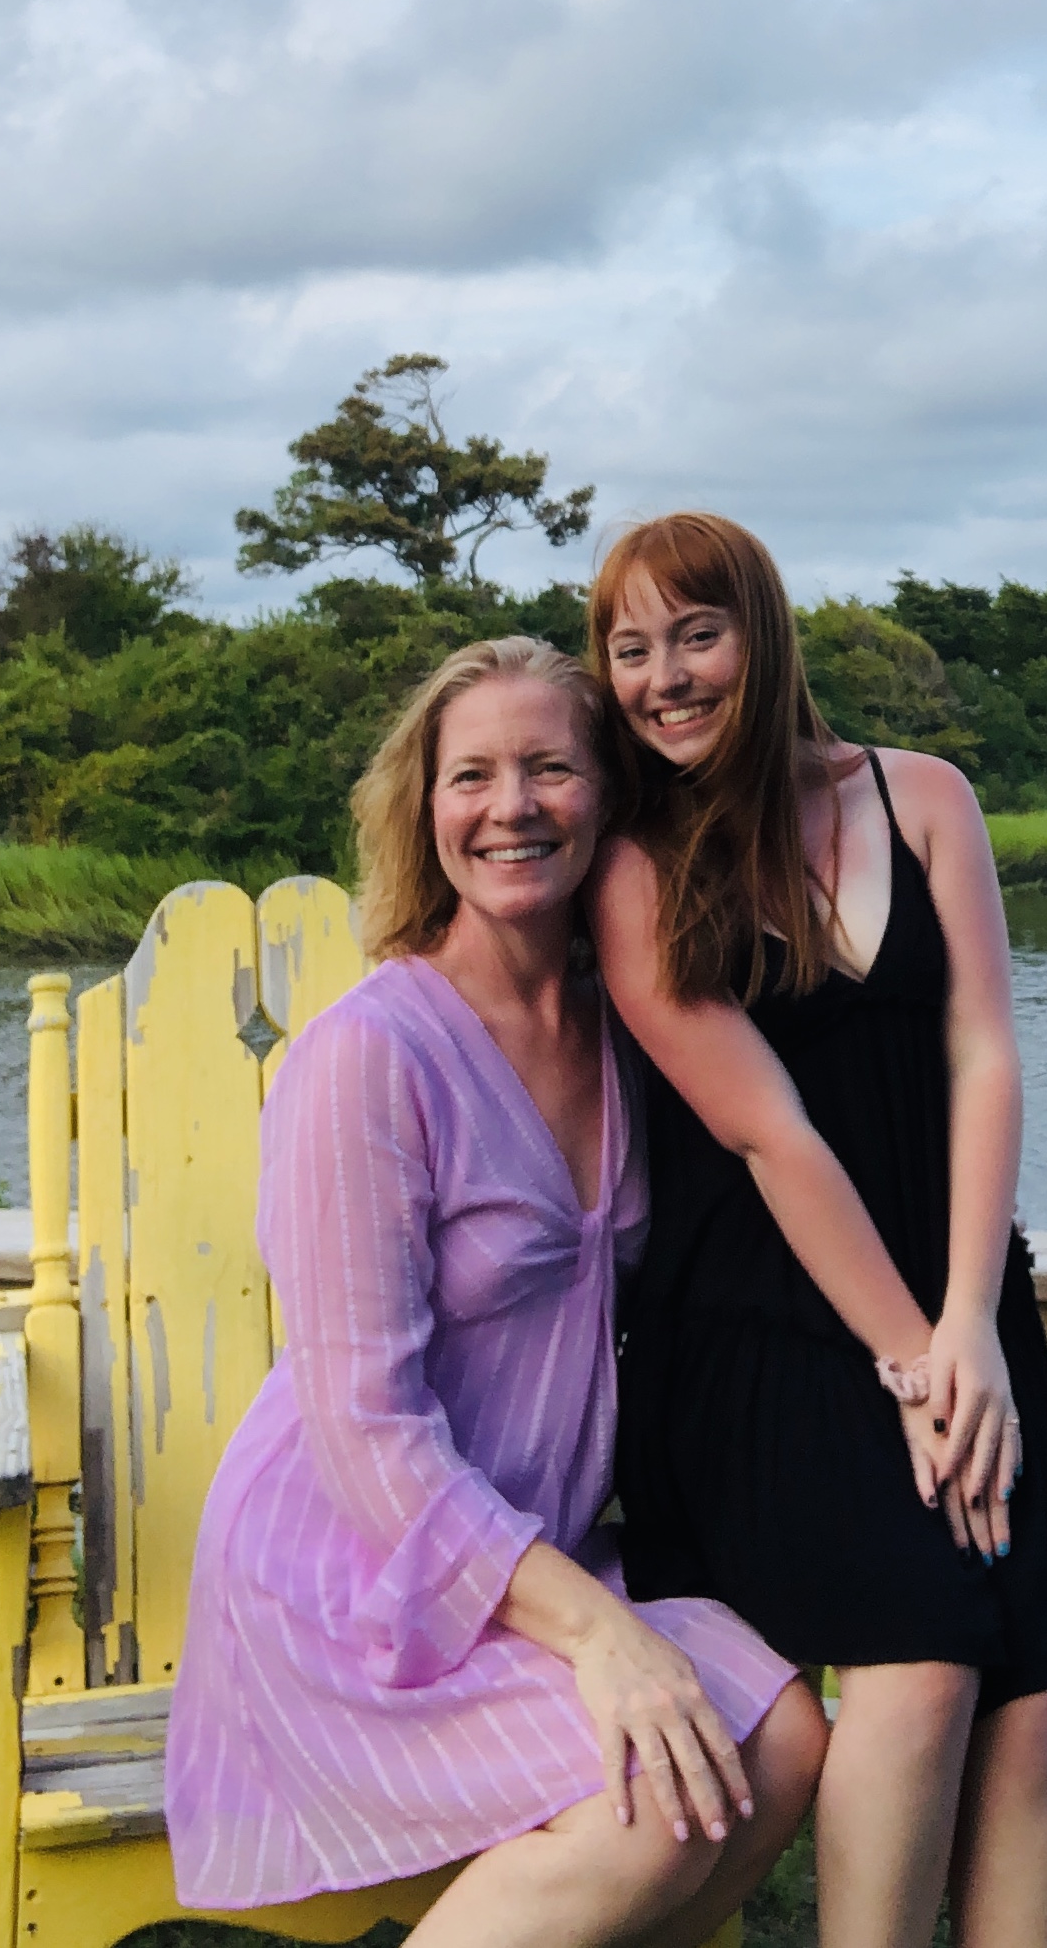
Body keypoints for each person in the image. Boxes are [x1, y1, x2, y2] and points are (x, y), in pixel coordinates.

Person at [165, 635, 825, 1948]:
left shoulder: (627, 1025)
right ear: (426, 809)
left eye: (550, 768)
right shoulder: (370, 1057)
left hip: (535, 1557)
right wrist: (601, 1639)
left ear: (610, 794)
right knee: (653, 1797)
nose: (510, 805)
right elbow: (366, 1431)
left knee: (788, 1738)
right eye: (470, 775)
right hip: (353, 1586)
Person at [586, 517, 1047, 1948]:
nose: (666, 678)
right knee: (922, 1669)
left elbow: (983, 1050)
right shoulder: (638, 868)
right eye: (631, 650)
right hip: (766, 1336)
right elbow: (770, 1134)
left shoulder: (923, 796)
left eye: (697, 635)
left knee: (1030, 1700)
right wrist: (918, 1366)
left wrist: (972, 1323)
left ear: (765, 632)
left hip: (967, 1300)